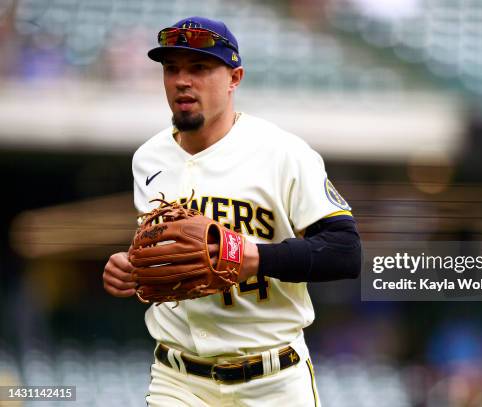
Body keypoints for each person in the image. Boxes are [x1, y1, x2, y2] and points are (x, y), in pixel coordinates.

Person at [102, 16, 362, 407]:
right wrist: (133, 265)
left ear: (234, 77)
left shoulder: (282, 152)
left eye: (200, 68)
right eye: (171, 69)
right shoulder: (148, 159)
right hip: (178, 378)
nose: (182, 81)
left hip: (273, 379)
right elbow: (171, 251)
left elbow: (345, 252)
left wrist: (248, 256)